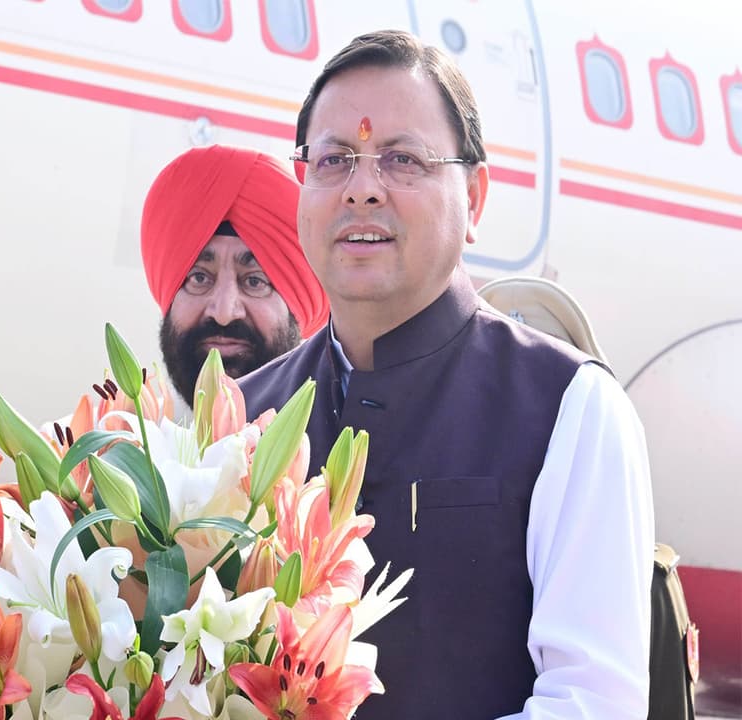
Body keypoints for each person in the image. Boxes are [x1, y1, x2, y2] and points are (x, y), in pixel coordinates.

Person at [239, 30, 654, 719]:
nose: (362, 189)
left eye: (403, 159)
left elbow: (591, 703)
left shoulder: (568, 408)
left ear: (476, 200)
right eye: (334, 159)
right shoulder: (246, 419)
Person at [140, 144, 328, 407]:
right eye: (199, 278)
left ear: (296, 307)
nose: (224, 313)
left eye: (254, 281)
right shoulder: (118, 441)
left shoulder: (345, 444)